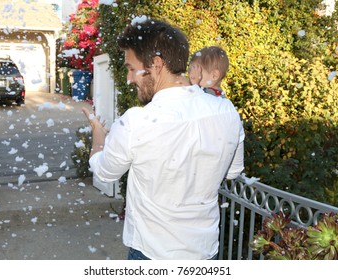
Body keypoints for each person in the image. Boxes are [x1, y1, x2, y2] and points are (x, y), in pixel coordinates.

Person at [82, 19, 244, 260]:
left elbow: (105, 173)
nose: (129, 78)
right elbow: (232, 172)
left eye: (130, 68)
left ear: (156, 64)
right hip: (205, 253)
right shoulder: (227, 112)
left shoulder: (137, 121)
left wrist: (98, 138)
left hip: (152, 255)